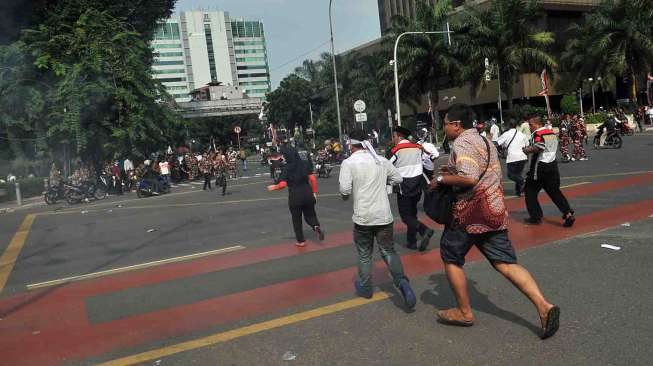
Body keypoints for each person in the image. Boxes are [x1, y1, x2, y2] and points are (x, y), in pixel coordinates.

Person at [429, 103, 560, 339]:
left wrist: (440, 178)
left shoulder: (463, 142)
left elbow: (468, 177)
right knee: (505, 263)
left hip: (470, 213)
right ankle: (544, 306)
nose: (444, 127)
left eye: (446, 123)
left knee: (451, 257)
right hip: (495, 210)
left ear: (456, 125)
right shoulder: (484, 140)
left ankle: (464, 312)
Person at [339, 129, 416, 309]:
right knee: (388, 251)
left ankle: (366, 288)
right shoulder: (380, 160)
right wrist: (383, 184)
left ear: (351, 144)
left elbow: (344, 190)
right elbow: (397, 178)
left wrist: (347, 195)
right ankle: (403, 284)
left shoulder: (349, 163)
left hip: (363, 218)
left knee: (365, 254)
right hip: (384, 216)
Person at [522, 114, 576, 227]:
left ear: (537, 124)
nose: (530, 127)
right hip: (552, 165)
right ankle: (568, 213)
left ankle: (536, 216)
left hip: (540, 167)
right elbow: (549, 148)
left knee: (530, 191)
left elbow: (539, 146)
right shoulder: (551, 133)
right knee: (555, 192)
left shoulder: (537, 133)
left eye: (531, 125)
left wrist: (527, 150)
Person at [388, 126, 435, 251]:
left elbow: (387, 166)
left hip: (404, 185)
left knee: (405, 216)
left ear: (399, 136)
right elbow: (429, 161)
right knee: (412, 214)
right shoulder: (418, 147)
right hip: (418, 184)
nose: (393, 139)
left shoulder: (395, 150)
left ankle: (424, 230)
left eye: (393, 136)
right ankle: (412, 241)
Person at [267, 146, 324, 247]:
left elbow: (283, 184)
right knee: (310, 214)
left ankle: (301, 241)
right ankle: (315, 226)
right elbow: (313, 179)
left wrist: (274, 187)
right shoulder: (305, 164)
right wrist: (314, 192)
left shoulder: (286, 168)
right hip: (308, 193)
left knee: (296, 219)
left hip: (295, 196)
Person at [497, 120, 529, 196]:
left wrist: (501, 151)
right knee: (518, 174)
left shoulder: (506, 134)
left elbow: (498, 143)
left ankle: (523, 182)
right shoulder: (522, 134)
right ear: (516, 126)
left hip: (512, 157)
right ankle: (519, 191)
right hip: (522, 156)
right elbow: (527, 145)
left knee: (511, 175)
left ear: (508, 126)